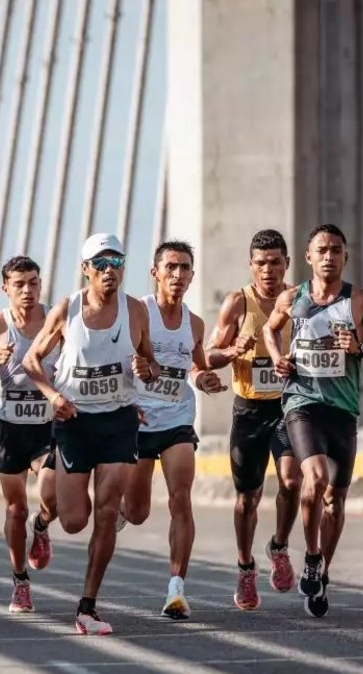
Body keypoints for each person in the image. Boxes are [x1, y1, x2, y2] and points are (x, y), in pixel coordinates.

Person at [23, 233, 161, 635]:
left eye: (116, 263)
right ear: (85, 269)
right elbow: (33, 360)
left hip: (118, 419)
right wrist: (52, 396)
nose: (109, 271)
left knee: (106, 511)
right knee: (74, 519)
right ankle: (43, 522)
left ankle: (88, 606)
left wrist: (145, 369)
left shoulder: (135, 310)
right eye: (100, 264)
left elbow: (151, 364)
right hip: (74, 422)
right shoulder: (67, 310)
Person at [263, 224, 363, 618]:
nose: (328, 256)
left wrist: (360, 348)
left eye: (336, 250)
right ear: (308, 257)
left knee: (336, 500)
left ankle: (321, 573)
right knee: (314, 479)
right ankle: (312, 554)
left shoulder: (362, 302)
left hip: (342, 411)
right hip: (302, 403)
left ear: (345, 257)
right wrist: (276, 357)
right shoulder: (292, 298)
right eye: (321, 250)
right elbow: (270, 331)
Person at [122, 240, 225, 620]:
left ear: (192, 276)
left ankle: (176, 588)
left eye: (184, 268)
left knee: (181, 499)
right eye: (171, 268)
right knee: (137, 512)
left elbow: (195, 368)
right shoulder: (137, 314)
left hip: (177, 420)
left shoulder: (194, 323)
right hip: (138, 423)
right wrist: (137, 369)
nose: (178, 276)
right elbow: (119, 358)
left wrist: (205, 380)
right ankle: (122, 509)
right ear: (155, 273)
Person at [205, 229, 302, 610]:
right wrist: (233, 350)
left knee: (292, 480)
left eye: (275, 262)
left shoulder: (298, 300)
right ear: (250, 265)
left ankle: (279, 546)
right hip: (248, 410)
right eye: (260, 263)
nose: (268, 270)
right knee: (248, 497)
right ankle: (246, 568)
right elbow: (208, 355)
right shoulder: (237, 303)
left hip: (289, 406)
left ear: (287, 264)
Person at [0, 256, 60, 614]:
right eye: (19, 284)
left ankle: (43, 525)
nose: (27, 291)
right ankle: (20, 582)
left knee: (51, 496)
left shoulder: (55, 320)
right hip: (9, 427)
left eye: (33, 283)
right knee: (15, 508)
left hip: (47, 425)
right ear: (5, 287)